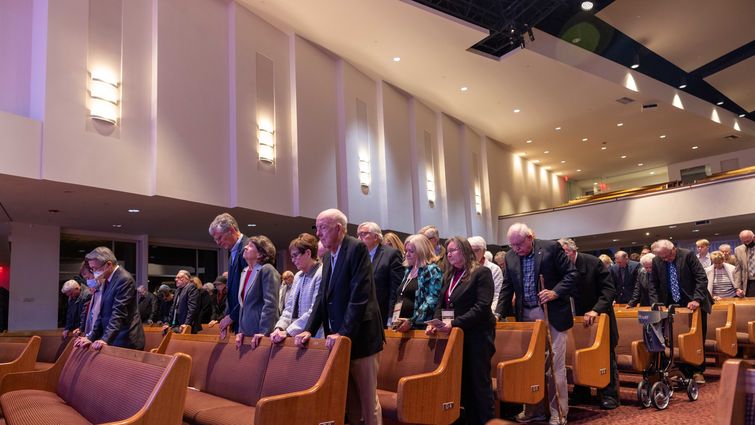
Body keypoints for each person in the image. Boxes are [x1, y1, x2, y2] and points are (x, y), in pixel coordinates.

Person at [296, 208, 384, 425]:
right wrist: (309, 327)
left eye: (323, 228)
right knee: (350, 403)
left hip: (361, 338)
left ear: (338, 228)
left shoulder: (356, 249)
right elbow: (321, 300)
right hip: (340, 340)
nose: (319, 234)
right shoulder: (327, 258)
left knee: (367, 402)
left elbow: (359, 297)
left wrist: (343, 334)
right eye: (317, 228)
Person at [497, 223, 575, 425]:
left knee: (554, 368)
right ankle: (534, 410)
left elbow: (572, 275)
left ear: (530, 237)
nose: (516, 249)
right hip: (526, 316)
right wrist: (498, 312)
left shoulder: (550, 248)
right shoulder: (511, 256)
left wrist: (555, 292)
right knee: (531, 366)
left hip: (552, 314)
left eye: (519, 244)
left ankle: (559, 412)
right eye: (512, 245)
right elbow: (507, 287)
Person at [426, 237, 495, 425]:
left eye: (454, 250)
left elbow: (482, 307)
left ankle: (486, 421)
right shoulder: (450, 275)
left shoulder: (481, 273)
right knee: (462, 385)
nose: (449, 254)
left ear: (465, 251)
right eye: (447, 251)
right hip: (455, 337)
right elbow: (442, 304)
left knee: (479, 385)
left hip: (477, 337)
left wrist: (455, 323)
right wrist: (436, 322)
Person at [558, 238, 619, 410]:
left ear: (573, 250)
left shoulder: (593, 263)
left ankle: (609, 395)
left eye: (565, 253)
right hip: (576, 320)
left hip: (600, 317)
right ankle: (581, 392)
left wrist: (596, 310)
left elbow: (609, 290)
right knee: (580, 356)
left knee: (606, 357)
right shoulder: (561, 267)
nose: (563, 256)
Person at [651, 239, 711, 384]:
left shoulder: (687, 255)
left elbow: (701, 278)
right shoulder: (657, 261)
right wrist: (656, 303)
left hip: (693, 303)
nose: (665, 259)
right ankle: (682, 372)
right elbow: (653, 284)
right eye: (662, 257)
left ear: (673, 249)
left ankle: (697, 371)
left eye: (667, 256)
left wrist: (697, 299)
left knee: (695, 339)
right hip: (672, 305)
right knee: (675, 339)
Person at [76, 247, 144, 351]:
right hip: (115, 337)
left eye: (94, 268)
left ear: (108, 265)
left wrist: (105, 339)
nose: (93, 272)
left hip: (126, 339)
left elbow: (118, 313)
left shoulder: (124, 279)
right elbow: (102, 315)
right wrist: (90, 337)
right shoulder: (108, 280)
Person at [271, 233, 323, 341]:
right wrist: (279, 328)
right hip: (295, 335)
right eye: (291, 257)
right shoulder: (298, 276)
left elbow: (314, 310)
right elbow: (289, 308)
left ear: (308, 253)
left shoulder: (321, 273)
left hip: (315, 335)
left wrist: (288, 331)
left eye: (295, 255)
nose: (293, 260)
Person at [236, 235, 280, 349]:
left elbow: (270, 304)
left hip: (259, 334)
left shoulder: (267, 269)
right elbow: (243, 305)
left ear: (260, 254)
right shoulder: (244, 271)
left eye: (250, 246)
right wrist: (241, 331)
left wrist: (264, 332)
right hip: (246, 334)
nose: (245, 247)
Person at [391, 234, 442, 331]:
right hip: (402, 326)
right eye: (406, 251)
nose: (407, 254)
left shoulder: (431, 270)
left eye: (411, 251)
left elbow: (431, 301)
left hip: (420, 327)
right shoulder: (408, 270)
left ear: (421, 251)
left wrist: (411, 321)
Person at [208, 213, 248, 335]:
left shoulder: (248, 249)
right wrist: (226, 317)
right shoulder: (233, 253)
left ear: (231, 230)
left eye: (219, 238)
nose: (218, 243)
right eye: (215, 240)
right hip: (238, 319)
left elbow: (248, 291)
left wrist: (232, 317)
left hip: (247, 320)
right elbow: (232, 293)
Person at [358, 221, 403, 327]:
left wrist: (391, 316)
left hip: (381, 314)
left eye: (363, 234)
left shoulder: (391, 254)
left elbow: (395, 289)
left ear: (376, 237)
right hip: (361, 314)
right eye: (358, 235)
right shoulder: (358, 256)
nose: (359, 238)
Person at [468, 236, 504, 314]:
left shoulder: (494, 269)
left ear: (484, 251)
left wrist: (491, 314)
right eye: (470, 251)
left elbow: (496, 295)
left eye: (476, 250)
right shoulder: (465, 269)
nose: (472, 254)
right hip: (468, 314)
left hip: (487, 313)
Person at [734, 230, 755, 297]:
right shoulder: (738, 250)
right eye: (744, 242)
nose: (747, 244)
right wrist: (738, 287)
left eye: (748, 241)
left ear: (754, 237)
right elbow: (738, 270)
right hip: (749, 283)